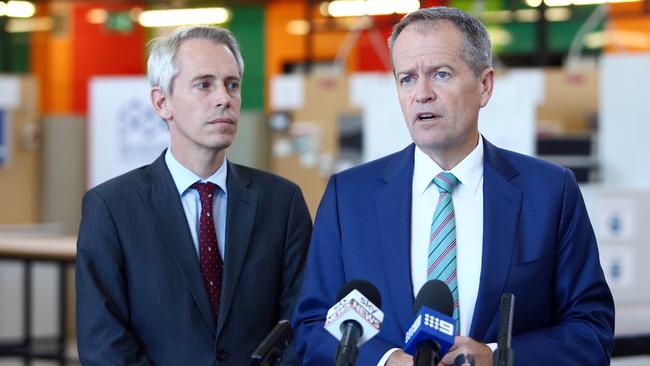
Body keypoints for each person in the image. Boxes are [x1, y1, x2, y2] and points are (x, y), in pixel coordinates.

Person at [293, 6, 614, 366]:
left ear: (484, 85)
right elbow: (313, 325)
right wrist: (387, 360)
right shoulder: (348, 197)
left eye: (440, 74)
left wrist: (496, 357)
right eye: (407, 79)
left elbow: (590, 329)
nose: (422, 93)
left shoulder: (550, 191)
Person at [76, 26, 312, 365]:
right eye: (204, 84)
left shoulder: (282, 202)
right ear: (162, 102)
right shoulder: (111, 208)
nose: (223, 98)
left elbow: (300, 321)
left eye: (232, 85)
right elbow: (103, 343)